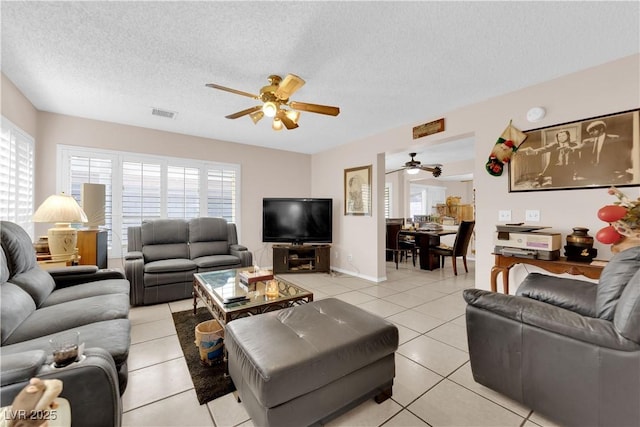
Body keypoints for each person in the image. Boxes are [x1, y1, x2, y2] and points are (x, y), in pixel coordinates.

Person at [581, 120, 632, 184]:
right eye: (590, 131)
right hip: (593, 174)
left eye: (593, 130)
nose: (591, 133)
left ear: (601, 129)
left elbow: (621, 156)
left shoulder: (614, 139)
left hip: (610, 174)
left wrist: (619, 171)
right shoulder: (587, 142)